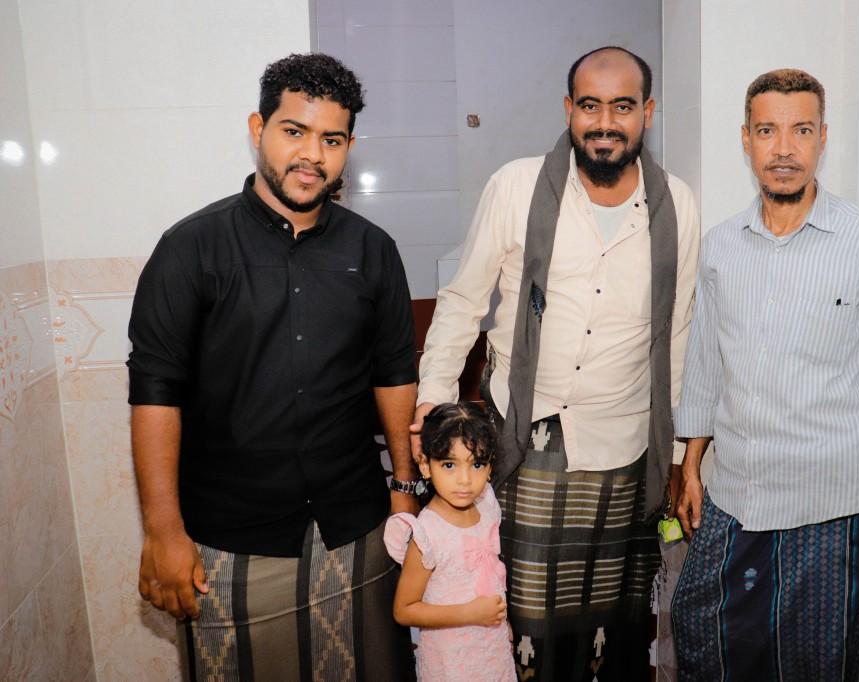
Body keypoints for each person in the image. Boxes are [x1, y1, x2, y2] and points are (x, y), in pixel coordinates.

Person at [126, 53, 417, 681]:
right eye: (294, 131)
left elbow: (394, 372)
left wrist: (404, 486)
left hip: (355, 526)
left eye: (331, 139)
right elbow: (155, 392)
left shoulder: (373, 250)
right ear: (258, 129)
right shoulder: (190, 248)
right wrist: (163, 531)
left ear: (349, 148)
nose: (312, 154)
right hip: (231, 535)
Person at [414, 46, 701, 681]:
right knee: (522, 617)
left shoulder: (677, 204)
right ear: (569, 109)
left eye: (622, 106)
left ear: (647, 112)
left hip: (627, 443)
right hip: (527, 436)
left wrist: (680, 453)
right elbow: (464, 299)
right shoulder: (516, 186)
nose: (606, 122)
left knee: (615, 623)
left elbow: (678, 333)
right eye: (590, 106)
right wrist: (433, 399)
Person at [670, 68, 859, 681]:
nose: (784, 149)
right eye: (768, 130)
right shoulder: (721, 245)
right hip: (736, 494)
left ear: (823, 138)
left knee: (812, 666)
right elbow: (707, 362)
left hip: (831, 506)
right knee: (705, 643)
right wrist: (690, 464)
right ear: (746, 139)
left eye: (800, 130)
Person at [386, 402, 517, 681]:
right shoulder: (428, 534)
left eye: (477, 464)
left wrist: (500, 622)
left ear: (490, 466)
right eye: (449, 465)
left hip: (491, 651)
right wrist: (470, 613)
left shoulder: (488, 506)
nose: (465, 480)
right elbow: (404, 610)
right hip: (451, 661)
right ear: (425, 465)